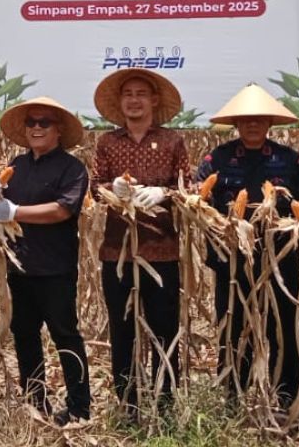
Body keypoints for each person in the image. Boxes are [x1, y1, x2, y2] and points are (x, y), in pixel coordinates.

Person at [195, 83, 299, 407]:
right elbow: (198, 199)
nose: (252, 125)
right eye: (246, 120)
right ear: (236, 123)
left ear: (270, 123)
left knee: (282, 326)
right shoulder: (217, 159)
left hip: (280, 256)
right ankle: (234, 394)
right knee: (233, 325)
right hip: (232, 259)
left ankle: (285, 396)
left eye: (259, 119)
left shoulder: (289, 159)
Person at [0, 95, 90, 425]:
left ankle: (79, 407)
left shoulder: (72, 169)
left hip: (55, 267)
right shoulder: (16, 167)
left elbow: (62, 209)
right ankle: (35, 402)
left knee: (64, 334)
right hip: (20, 265)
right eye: (31, 122)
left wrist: (16, 212)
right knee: (24, 332)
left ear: (58, 130)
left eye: (44, 122)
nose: (37, 128)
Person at [91, 67, 191, 410]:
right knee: (122, 330)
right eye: (128, 95)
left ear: (154, 100)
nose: (134, 101)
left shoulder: (172, 141)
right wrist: (112, 189)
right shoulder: (107, 142)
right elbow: (95, 186)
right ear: (120, 103)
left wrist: (163, 192)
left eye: (140, 94)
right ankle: (128, 402)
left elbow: (188, 191)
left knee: (164, 328)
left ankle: (165, 400)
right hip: (116, 250)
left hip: (161, 250)